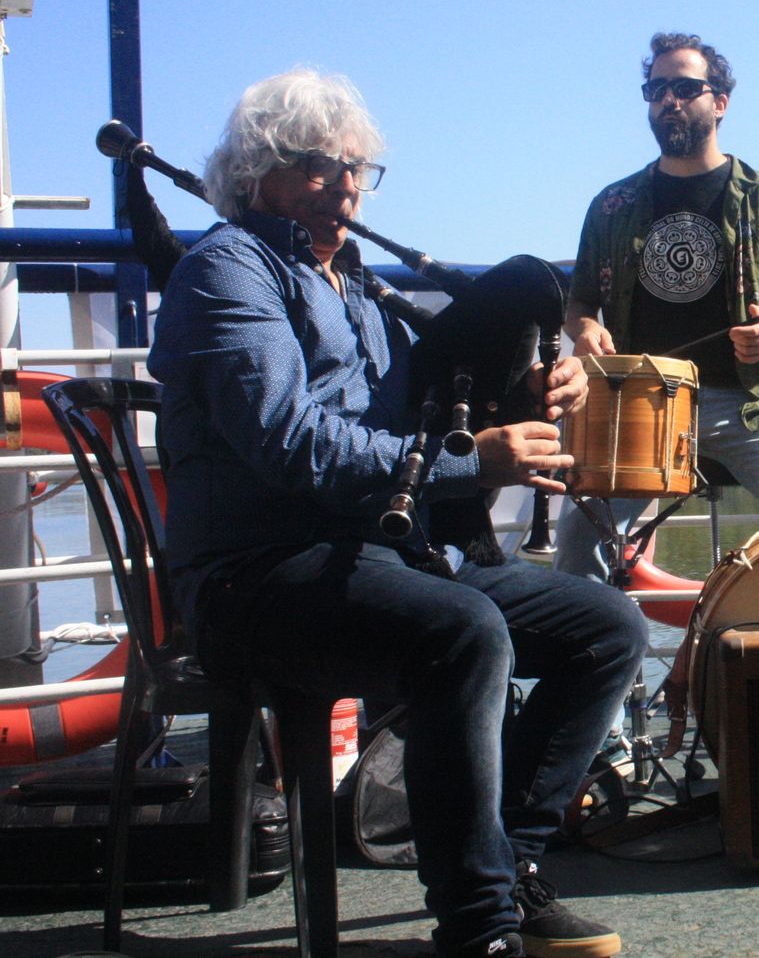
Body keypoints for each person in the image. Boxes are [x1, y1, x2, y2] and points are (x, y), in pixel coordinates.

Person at [148, 69, 647, 958]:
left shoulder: (357, 290)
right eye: (319, 166)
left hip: (370, 557)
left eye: (358, 169)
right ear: (256, 175)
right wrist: (474, 461)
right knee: (464, 632)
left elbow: (416, 422)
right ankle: (478, 928)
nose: (345, 185)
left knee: (607, 625)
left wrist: (526, 398)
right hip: (257, 576)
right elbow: (292, 446)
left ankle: (512, 866)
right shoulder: (227, 272)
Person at [555, 33, 759, 580]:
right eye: (657, 89)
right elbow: (580, 302)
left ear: (720, 102)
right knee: (577, 536)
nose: (670, 100)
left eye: (686, 87)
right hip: (640, 401)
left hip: (752, 400)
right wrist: (586, 329)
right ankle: (597, 660)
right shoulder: (612, 205)